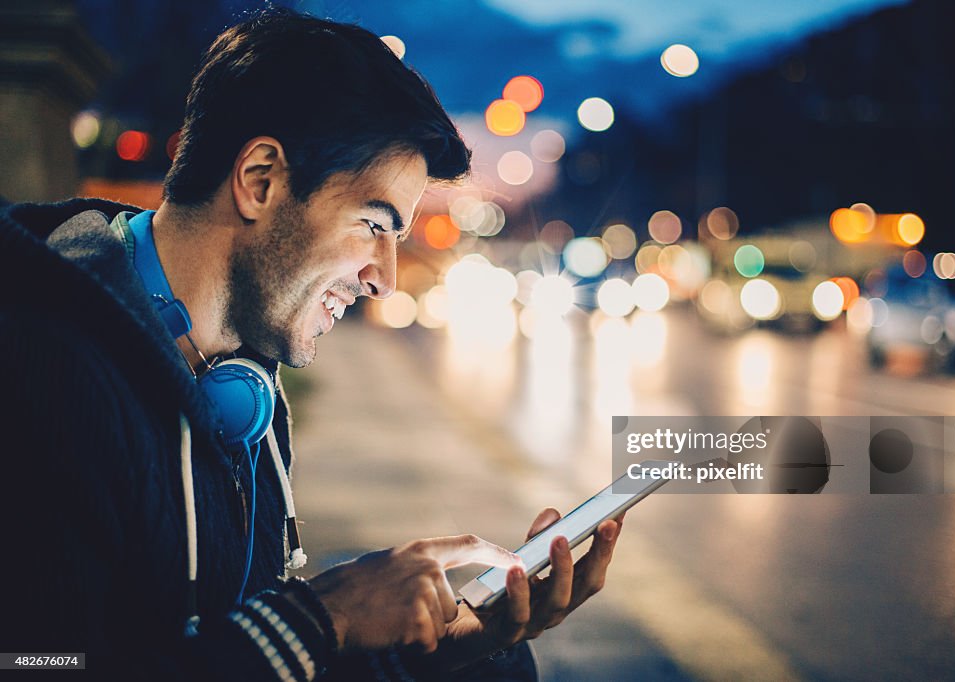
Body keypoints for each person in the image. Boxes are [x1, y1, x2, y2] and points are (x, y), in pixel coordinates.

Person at [0, 8, 623, 680]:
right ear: (261, 179)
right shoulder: (41, 367)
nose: (384, 279)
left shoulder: (244, 385)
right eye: (372, 224)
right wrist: (319, 616)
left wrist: (446, 655)